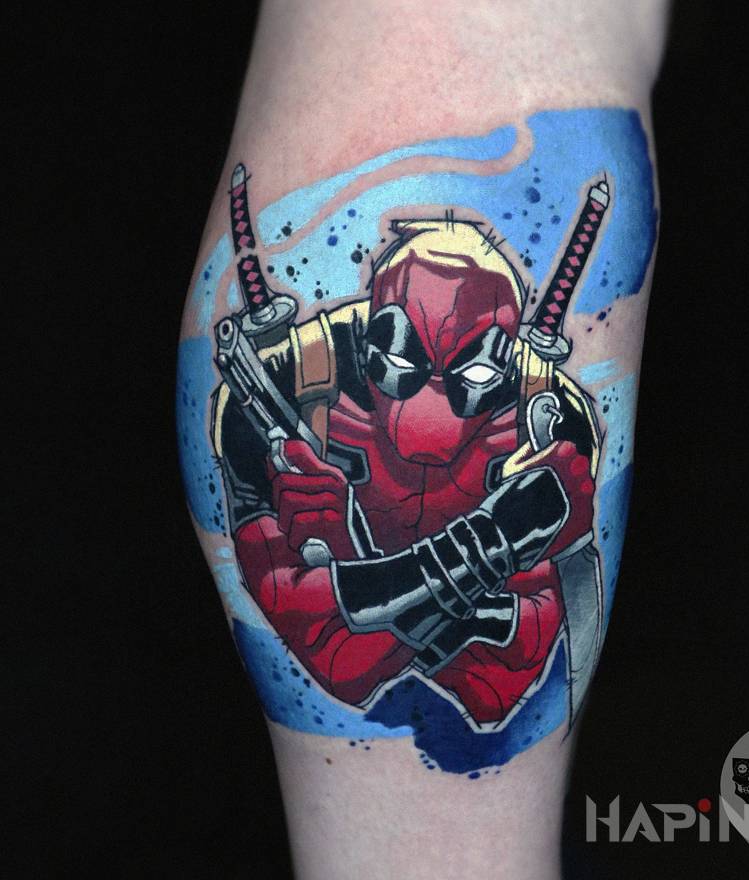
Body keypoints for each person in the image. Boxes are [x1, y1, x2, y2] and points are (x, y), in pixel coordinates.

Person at [178, 2, 667, 877]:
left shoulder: (539, 434)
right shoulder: (298, 411)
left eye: (468, 369)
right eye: (405, 358)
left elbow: (509, 657)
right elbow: (331, 644)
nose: (435, 400)